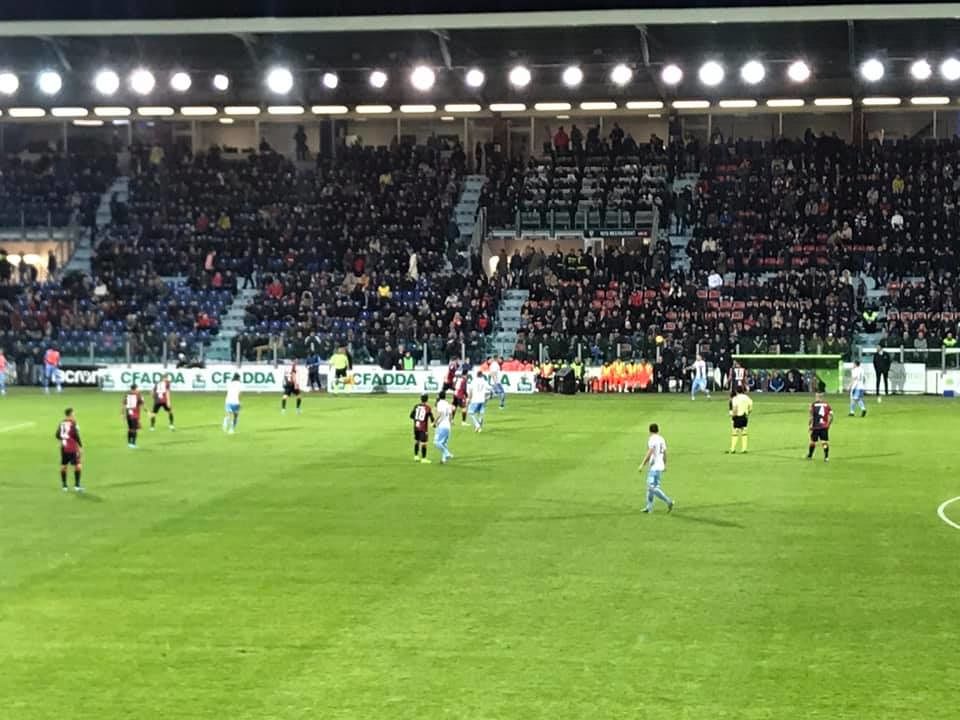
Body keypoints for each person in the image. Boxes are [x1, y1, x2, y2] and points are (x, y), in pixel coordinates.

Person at [638, 423, 674, 514]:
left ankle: (668, 501)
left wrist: (642, 464)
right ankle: (649, 507)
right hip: (660, 466)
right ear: (658, 430)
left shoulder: (652, 439)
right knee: (652, 487)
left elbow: (650, 452)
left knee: (651, 487)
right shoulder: (661, 439)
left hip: (654, 466)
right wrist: (665, 464)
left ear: (649, 431)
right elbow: (665, 452)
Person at [56, 407, 84, 492]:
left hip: (64, 447)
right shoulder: (73, 423)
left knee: (64, 465)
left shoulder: (62, 423)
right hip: (72, 447)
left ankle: (64, 486)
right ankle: (77, 486)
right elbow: (76, 435)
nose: (74, 415)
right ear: (71, 414)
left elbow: (57, 435)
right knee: (78, 466)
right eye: (73, 413)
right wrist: (80, 446)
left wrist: (63, 440)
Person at [807, 392, 834, 462]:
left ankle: (810, 455)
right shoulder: (827, 405)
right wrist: (828, 425)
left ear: (818, 397)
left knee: (812, 442)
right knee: (824, 442)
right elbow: (831, 416)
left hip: (816, 427)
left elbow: (811, 417)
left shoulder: (814, 405)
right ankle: (826, 457)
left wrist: (809, 425)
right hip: (824, 427)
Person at [410, 393, 434, 464]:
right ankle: (424, 458)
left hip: (416, 426)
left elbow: (411, 416)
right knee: (424, 443)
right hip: (423, 428)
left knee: (417, 441)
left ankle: (416, 456)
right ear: (427, 399)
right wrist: (433, 423)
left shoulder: (416, 406)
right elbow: (431, 417)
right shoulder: (428, 407)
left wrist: (417, 420)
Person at [728, 386, 753, 454]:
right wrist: (748, 412)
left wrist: (733, 415)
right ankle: (744, 449)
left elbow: (735, 408)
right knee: (744, 431)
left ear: (736, 391)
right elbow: (751, 405)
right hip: (745, 416)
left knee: (735, 432)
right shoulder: (747, 397)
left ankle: (733, 448)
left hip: (737, 416)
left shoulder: (735, 398)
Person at [434, 390, 454, 464]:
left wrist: (435, 422)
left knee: (436, 442)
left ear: (439, 396)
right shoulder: (447, 404)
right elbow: (450, 414)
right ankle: (443, 459)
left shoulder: (439, 403)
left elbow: (440, 414)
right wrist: (451, 421)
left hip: (442, 426)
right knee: (443, 443)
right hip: (448, 426)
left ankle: (447, 453)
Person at [123, 383, 144, 448]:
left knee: (129, 428)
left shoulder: (127, 394)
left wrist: (123, 414)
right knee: (135, 429)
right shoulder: (138, 394)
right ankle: (133, 443)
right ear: (136, 388)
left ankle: (129, 443)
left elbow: (124, 404)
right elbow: (142, 403)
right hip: (135, 414)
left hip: (128, 413)